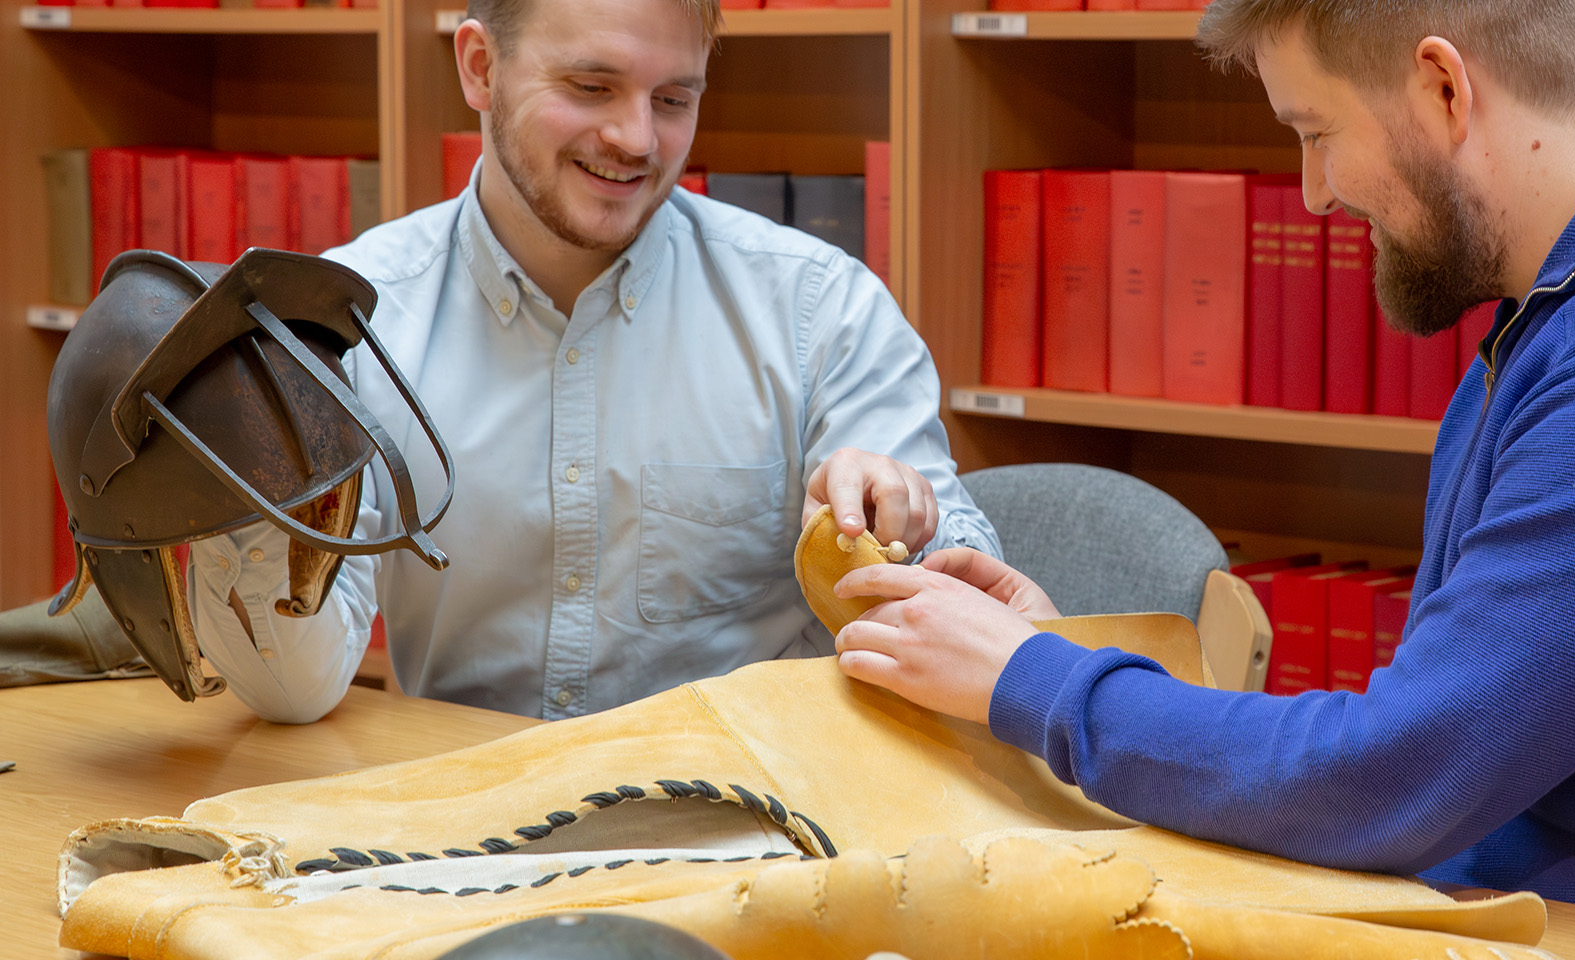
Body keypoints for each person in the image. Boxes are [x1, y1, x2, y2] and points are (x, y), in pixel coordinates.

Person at [826, 2, 1575, 957]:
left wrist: (1038, 684)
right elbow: (1419, 752)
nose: (1311, 195)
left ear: (1442, 86)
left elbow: (1397, 781)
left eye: (1315, 133)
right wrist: (1047, 663)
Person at [184, 0, 996, 724]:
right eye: (591, 87)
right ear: (479, 67)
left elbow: (976, 615)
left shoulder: (822, 311)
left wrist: (907, 522)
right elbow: (296, 690)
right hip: (456, 849)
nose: (637, 139)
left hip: (745, 843)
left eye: (673, 99)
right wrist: (241, 519)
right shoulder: (343, 325)